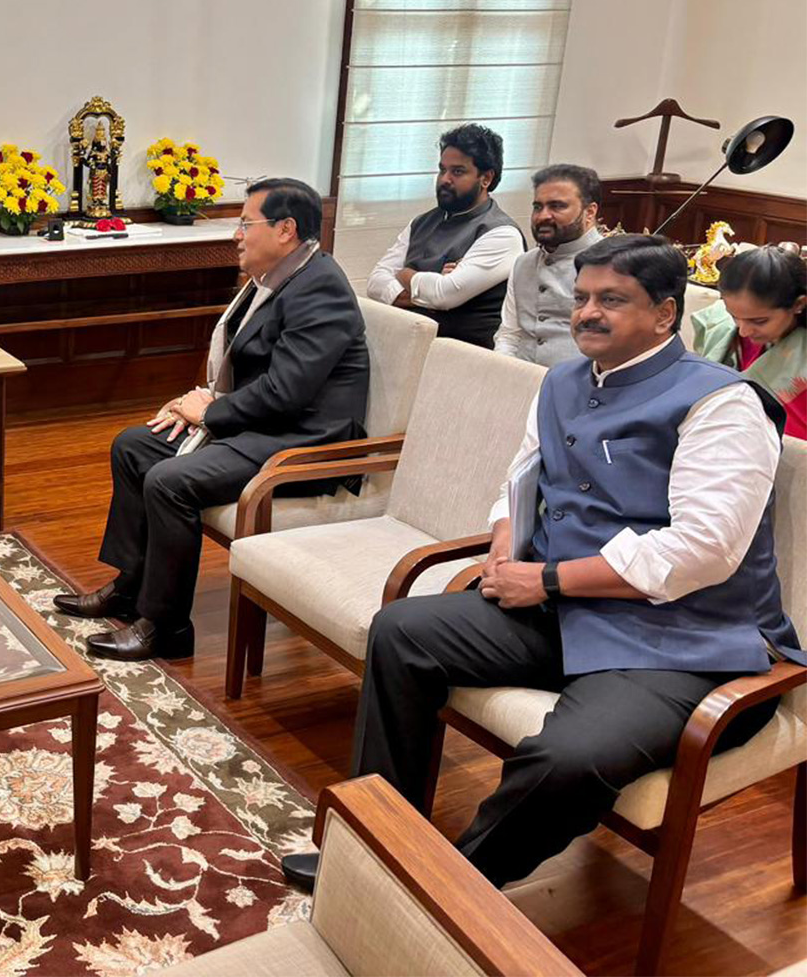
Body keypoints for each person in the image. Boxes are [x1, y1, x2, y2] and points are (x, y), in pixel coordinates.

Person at [281, 234, 803, 892]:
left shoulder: (722, 402)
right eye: (583, 297)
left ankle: (442, 891)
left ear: (666, 314)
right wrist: (505, 551)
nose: (587, 312)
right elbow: (522, 481)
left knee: (567, 758)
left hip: (682, 643)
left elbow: (704, 550)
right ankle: (374, 838)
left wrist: (548, 579)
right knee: (403, 631)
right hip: (566, 611)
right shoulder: (561, 381)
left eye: (612, 300)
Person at [55, 178, 369, 661]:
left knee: (168, 481)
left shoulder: (319, 287)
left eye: (246, 223)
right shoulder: (276, 279)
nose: (237, 234)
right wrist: (197, 402)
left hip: (303, 442)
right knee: (134, 445)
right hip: (263, 426)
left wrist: (212, 413)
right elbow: (250, 369)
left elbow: (288, 391)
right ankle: (131, 588)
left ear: (286, 230)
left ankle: (166, 626)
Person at [366, 123, 525, 348]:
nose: (445, 179)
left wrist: (405, 274)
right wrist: (426, 293)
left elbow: (444, 295)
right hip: (409, 345)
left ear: (486, 178)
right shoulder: (421, 222)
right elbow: (376, 281)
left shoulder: (502, 234)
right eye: (442, 169)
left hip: (463, 355)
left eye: (457, 171)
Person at [493, 164, 605, 367]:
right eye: (538, 207)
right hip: (520, 379)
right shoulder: (524, 263)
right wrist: (503, 375)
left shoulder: (614, 265)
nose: (543, 216)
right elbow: (509, 335)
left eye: (557, 206)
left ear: (590, 212)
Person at [692, 245, 807, 440]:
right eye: (734, 316)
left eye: (759, 321)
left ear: (798, 305)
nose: (744, 331)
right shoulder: (721, 325)